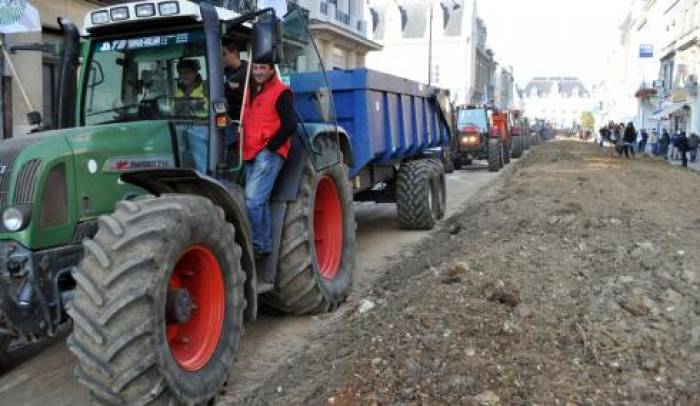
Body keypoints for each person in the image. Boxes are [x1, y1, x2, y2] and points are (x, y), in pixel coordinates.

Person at [242, 62, 298, 258]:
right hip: (250, 150)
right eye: (255, 68)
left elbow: (291, 124)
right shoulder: (250, 91)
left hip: (268, 152)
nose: (258, 72)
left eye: (262, 68)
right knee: (260, 201)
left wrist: (271, 147)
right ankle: (264, 245)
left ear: (272, 70)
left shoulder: (281, 92)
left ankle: (256, 245)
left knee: (251, 200)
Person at [174, 59, 209, 173]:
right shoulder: (178, 89)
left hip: (202, 125)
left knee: (195, 134)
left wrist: (194, 104)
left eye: (188, 72)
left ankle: (204, 176)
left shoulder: (205, 86)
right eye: (182, 73)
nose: (185, 76)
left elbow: (210, 106)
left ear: (195, 73)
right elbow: (172, 108)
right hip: (181, 126)